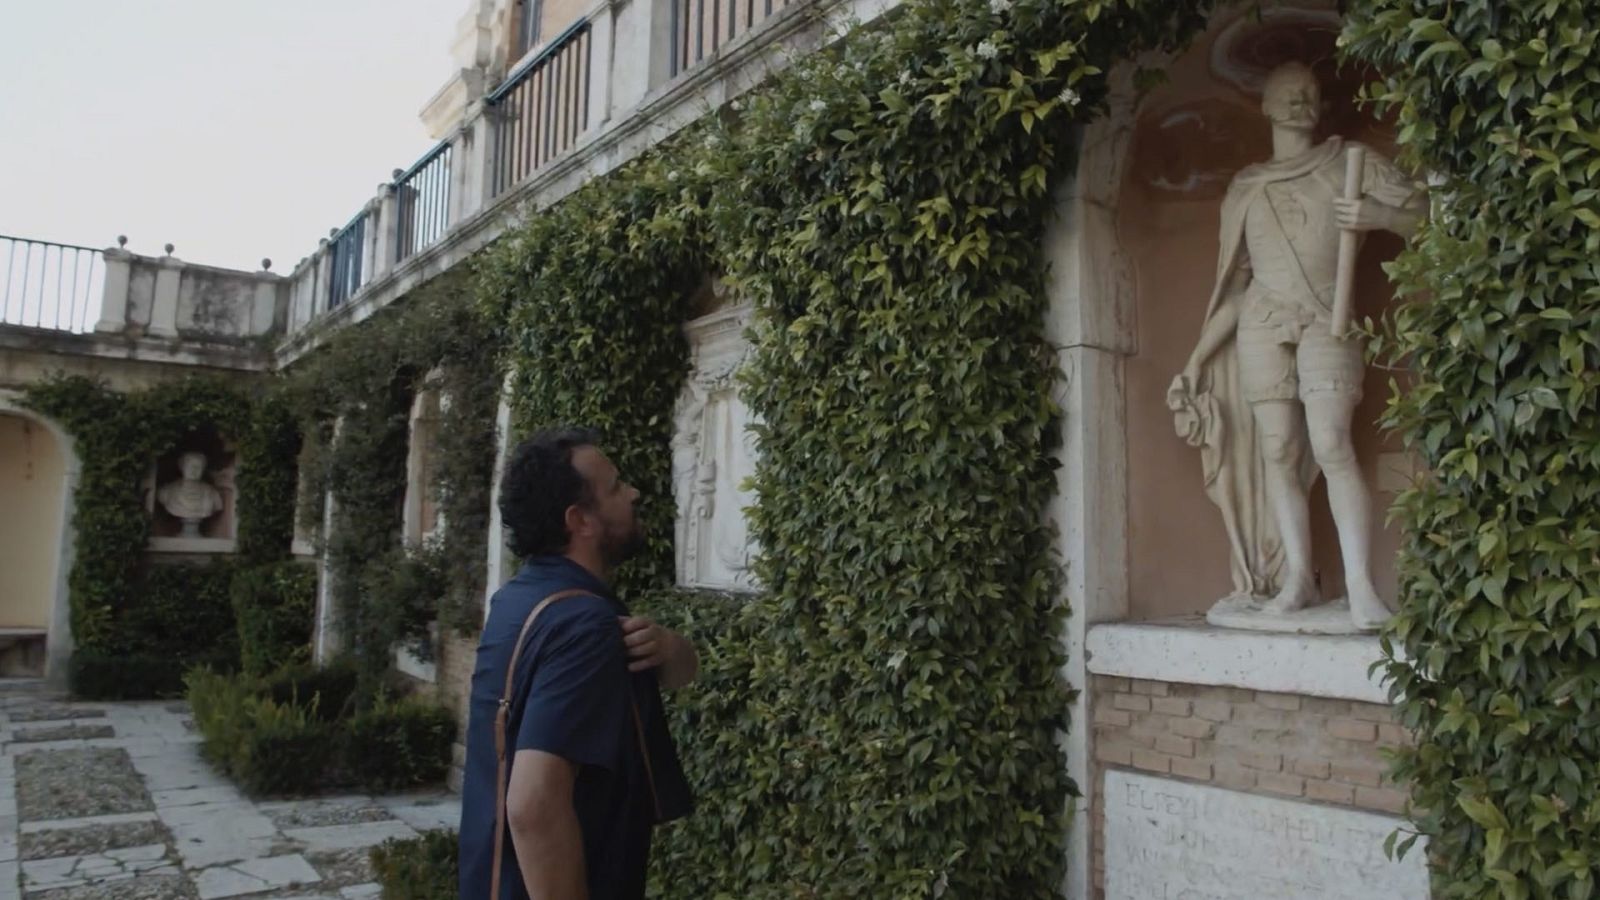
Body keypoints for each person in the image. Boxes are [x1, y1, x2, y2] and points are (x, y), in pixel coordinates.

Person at [1167, 61, 1425, 630]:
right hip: (1261, 322)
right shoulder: (1245, 187)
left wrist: (1377, 214)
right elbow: (1235, 290)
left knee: (1332, 444)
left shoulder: (1350, 163)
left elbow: (1428, 216)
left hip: (1327, 321)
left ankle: (1360, 586)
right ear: (1264, 106)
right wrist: (1196, 359)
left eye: (1307, 93)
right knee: (1279, 450)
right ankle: (1297, 580)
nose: (1297, 103)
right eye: (1285, 95)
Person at [459, 428, 696, 900]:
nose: (633, 493)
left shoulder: (519, 599)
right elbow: (533, 804)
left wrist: (672, 649)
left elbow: (682, 672)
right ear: (580, 521)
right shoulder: (584, 627)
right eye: (614, 488)